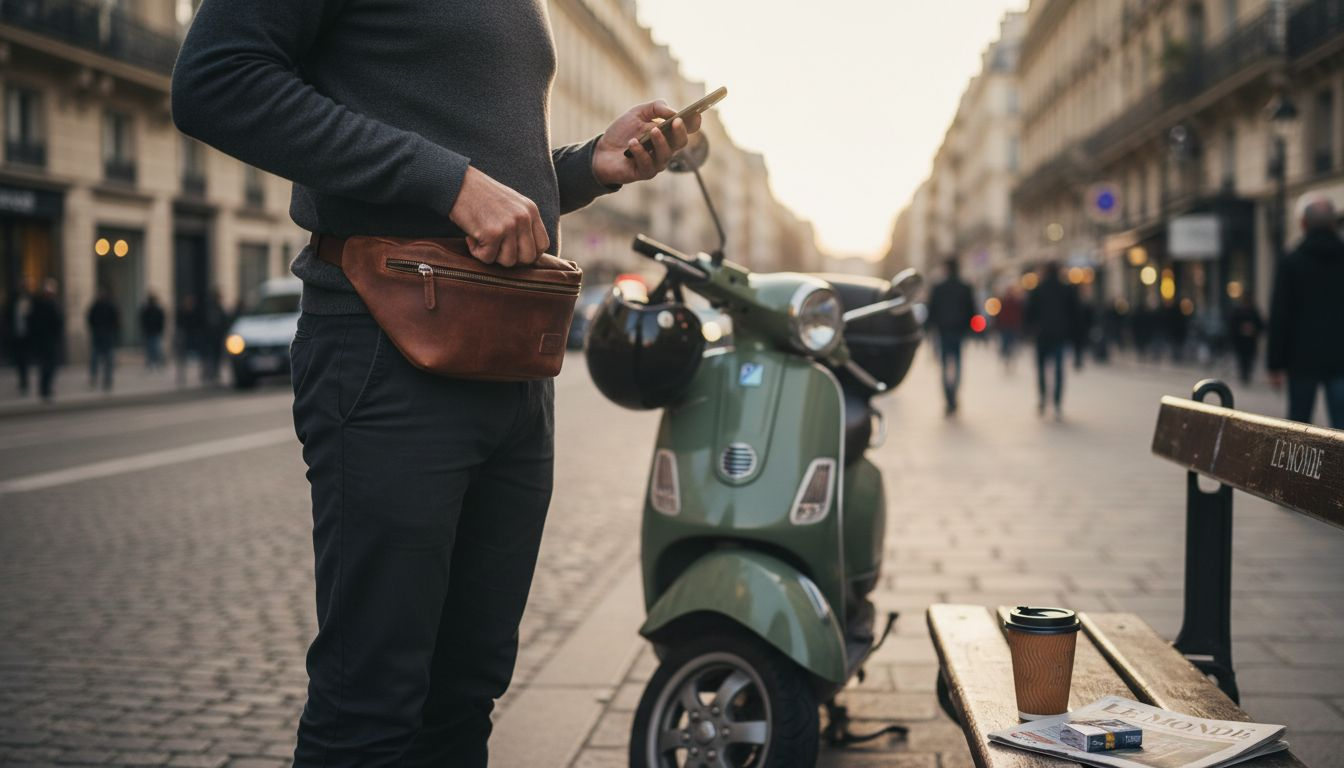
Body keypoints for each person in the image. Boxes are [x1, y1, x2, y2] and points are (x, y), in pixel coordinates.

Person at [172, 1, 699, 762]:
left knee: (464, 695)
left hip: (512, 355)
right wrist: (447, 181)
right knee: (371, 705)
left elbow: (492, 183)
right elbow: (215, 80)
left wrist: (589, 165)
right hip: (389, 346)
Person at [1267, 198, 1344, 427]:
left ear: (1303, 224)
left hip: (1301, 358)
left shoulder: (1291, 261)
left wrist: (1275, 364)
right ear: (1334, 224)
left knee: (1299, 428)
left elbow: (1280, 315)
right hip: (1341, 357)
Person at [1025, 262, 1078, 419]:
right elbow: (1074, 313)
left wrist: (1030, 330)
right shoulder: (1066, 289)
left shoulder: (1037, 289)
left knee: (1041, 368)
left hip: (1042, 335)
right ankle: (1057, 402)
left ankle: (1042, 398)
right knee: (1059, 369)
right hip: (1060, 335)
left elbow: (1029, 312)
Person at [926, 258, 976, 414]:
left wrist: (929, 328)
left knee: (944, 365)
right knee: (958, 363)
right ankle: (954, 395)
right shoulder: (965, 287)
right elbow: (971, 310)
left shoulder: (938, 288)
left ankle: (948, 398)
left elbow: (931, 310)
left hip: (943, 331)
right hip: (959, 331)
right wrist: (969, 329)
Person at [28, 279, 63, 402]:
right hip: (48, 340)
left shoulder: (39, 304)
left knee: (45, 365)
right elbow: (57, 322)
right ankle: (45, 389)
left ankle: (44, 388)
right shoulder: (48, 305)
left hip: (44, 340)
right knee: (48, 365)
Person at [86, 286, 120, 391]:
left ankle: (102, 379)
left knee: (102, 359)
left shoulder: (100, 306)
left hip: (102, 336)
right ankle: (103, 379)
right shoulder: (101, 306)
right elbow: (116, 321)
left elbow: (90, 319)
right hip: (102, 336)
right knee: (101, 359)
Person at [1226, 295, 1264, 385]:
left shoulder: (1254, 312)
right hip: (1240, 342)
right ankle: (1243, 375)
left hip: (1250, 342)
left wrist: (1253, 329)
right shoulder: (1237, 312)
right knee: (1242, 359)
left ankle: (1246, 375)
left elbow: (1261, 325)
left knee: (1249, 359)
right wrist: (1240, 330)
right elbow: (1232, 326)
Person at [5, 288, 33, 394]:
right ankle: (22, 381)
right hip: (16, 338)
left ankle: (24, 382)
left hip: (26, 338)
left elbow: (32, 320)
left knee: (24, 360)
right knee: (19, 360)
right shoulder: (12, 306)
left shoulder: (28, 305)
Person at [199, 288, 229, 384]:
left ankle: (212, 373)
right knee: (211, 355)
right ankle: (210, 373)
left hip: (215, 337)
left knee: (213, 355)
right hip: (212, 337)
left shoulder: (214, 308)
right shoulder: (213, 308)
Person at [996, 287, 1024, 372]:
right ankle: (1007, 359)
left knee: (1010, 344)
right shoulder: (1005, 302)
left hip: (1011, 326)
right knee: (1007, 344)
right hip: (1006, 326)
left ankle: (1009, 358)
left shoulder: (1014, 302)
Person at [139, 292, 167, 370]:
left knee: (154, 348)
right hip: (151, 331)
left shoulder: (155, 310)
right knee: (152, 348)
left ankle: (154, 362)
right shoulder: (148, 310)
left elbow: (161, 321)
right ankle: (152, 362)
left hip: (154, 331)